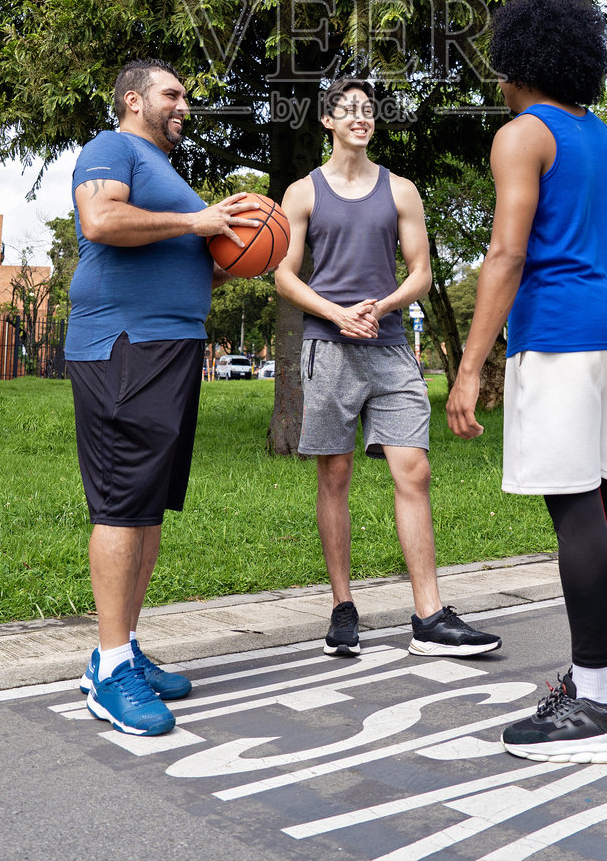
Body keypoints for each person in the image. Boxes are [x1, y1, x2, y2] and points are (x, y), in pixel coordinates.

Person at [445, 0, 607, 764]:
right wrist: (604, 312)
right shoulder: (601, 137)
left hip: (559, 336)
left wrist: (470, 369)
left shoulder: (521, 135)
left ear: (516, 64)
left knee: (573, 512)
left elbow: (505, 253)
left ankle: (594, 705)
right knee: (599, 505)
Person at [65, 60, 260, 737]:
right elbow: (100, 219)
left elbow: (178, 243)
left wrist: (231, 246)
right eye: (172, 94)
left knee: (147, 507)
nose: (184, 103)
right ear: (133, 100)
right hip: (123, 343)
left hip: (170, 346)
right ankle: (108, 671)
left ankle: (124, 648)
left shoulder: (167, 173)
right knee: (122, 502)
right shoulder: (111, 148)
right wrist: (197, 221)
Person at [276, 78, 501, 660]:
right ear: (327, 121)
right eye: (348, 110)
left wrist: (382, 307)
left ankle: (428, 615)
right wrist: (337, 314)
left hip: (392, 346)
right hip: (329, 348)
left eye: (368, 110)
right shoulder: (302, 193)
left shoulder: (401, 190)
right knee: (335, 475)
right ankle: (342, 608)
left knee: (414, 470)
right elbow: (284, 274)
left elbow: (421, 273)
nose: (360, 117)